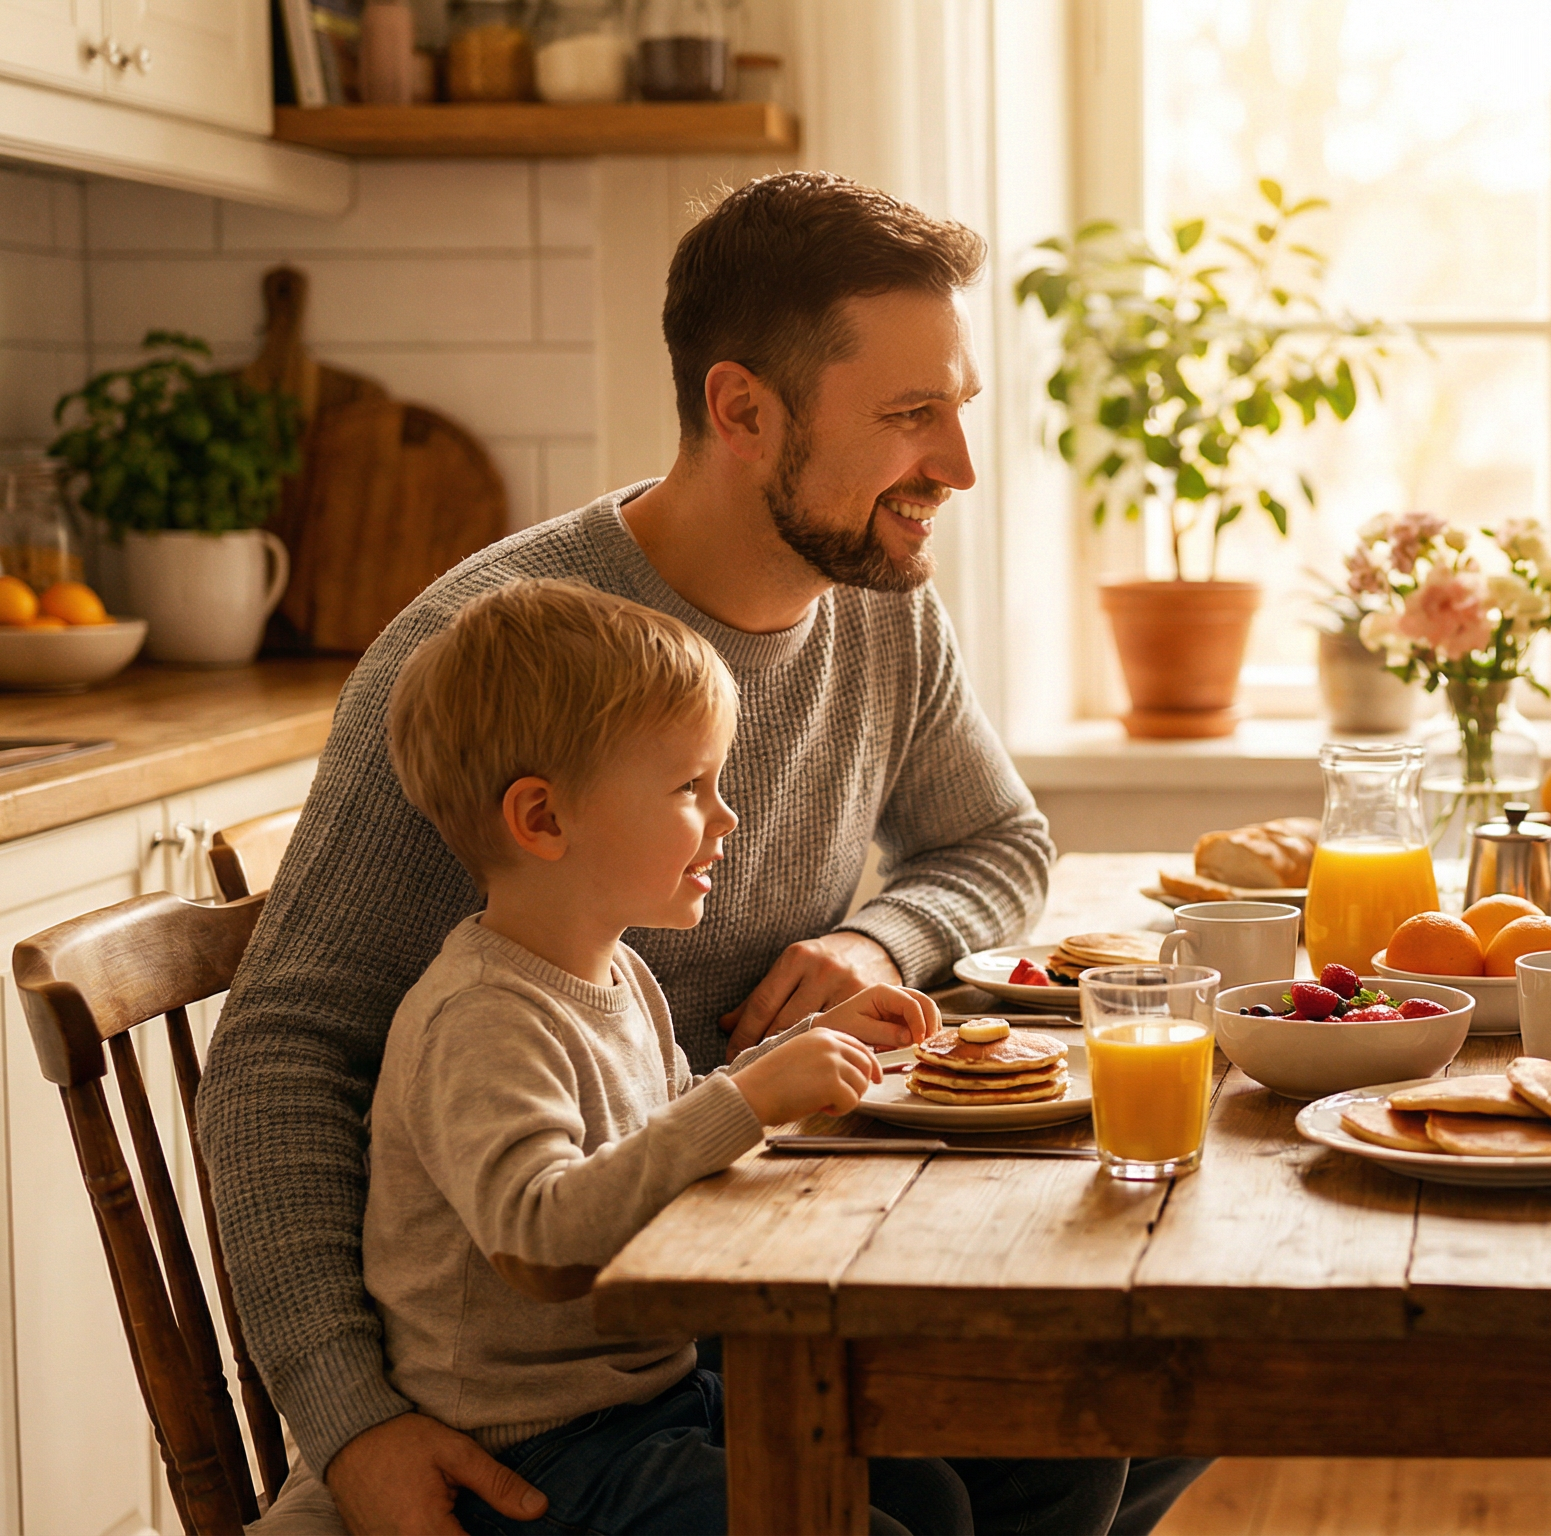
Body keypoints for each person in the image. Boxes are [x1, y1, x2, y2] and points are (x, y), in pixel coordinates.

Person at [204, 173, 1202, 1534]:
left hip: (740, 1264)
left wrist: (877, 941)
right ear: (743, 412)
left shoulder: (877, 604)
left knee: (1116, 1410)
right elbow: (281, 1056)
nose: (959, 468)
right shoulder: (497, 660)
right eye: (909, 415)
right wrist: (354, 1423)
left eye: (958, 406)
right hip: (556, 1361)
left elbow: (997, 841)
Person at [367, 579, 1106, 1535]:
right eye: (689, 787)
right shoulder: (480, 1017)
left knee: (932, 1496)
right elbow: (537, 1238)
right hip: (540, 1451)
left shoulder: (617, 972)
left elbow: (676, 1119)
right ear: (543, 819)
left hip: (658, 1394)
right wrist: (753, 1097)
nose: (726, 818)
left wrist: (816, 1045)